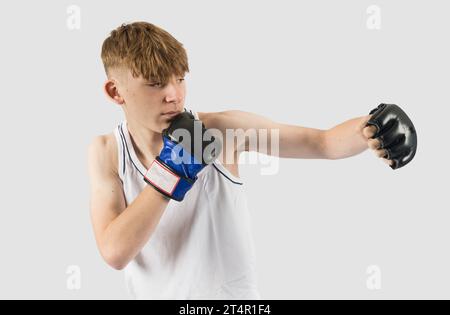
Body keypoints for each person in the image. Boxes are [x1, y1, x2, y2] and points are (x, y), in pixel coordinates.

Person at [87, 21, 417, 299]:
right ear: (116, 92)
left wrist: (369, 127)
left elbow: (321, 142)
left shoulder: (221, 131)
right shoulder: (108, 152)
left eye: (180, 78)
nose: (173, 94)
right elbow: (115, 252)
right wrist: (170, 172)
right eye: (156, 83)